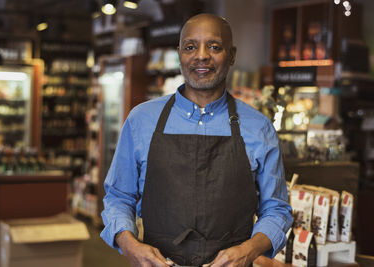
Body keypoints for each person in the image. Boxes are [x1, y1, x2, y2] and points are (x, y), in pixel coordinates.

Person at [100, 13, 293, 267]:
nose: (201, 55)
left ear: (232, 55)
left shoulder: (259, 127)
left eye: (214, 46)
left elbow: (277, 209)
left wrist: (247, 251)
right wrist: (130, 245)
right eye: (190, 47)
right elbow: (118, 197)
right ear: (179, 53)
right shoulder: (141, 120)